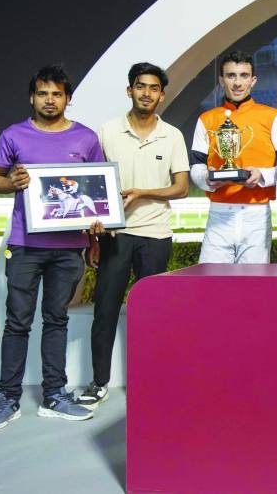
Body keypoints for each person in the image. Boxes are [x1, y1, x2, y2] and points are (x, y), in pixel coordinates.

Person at [0, 65, 104, 430]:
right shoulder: (13, 135)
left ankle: (54, 395)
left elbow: (97, 190)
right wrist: (11, 182)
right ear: (32, 97)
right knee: (17, 321)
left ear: (68, 98)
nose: (49, 100)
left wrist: (94, 237)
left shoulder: (86, 138)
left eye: (57, 94)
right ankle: (8, 398)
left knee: (56, 320)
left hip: (69, 248)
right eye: (43, 93)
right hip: (25, 244)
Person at [75, 63, 190, 410]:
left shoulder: (172, 135)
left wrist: (143, 193)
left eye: (153, 88)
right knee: (105, 311)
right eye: (140, 86)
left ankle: (150, 383)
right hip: (116, 236)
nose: (146, 93)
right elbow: (93, 186)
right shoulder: (107, 132)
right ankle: (99, 383)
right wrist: (92, 240)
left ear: (162, 95)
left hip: (156, 235)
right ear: (129, 91)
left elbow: (181, 187)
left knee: (152, 316)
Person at [190, 50, 277, 263]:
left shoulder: (272, 117)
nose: (237, 83)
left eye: (244, 76)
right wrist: (207, 178)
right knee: (211, 280)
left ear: (253, 80)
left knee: (252, 283)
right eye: (231, 76)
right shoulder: (206, 119)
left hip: (256, 215)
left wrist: (262, 175)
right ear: (221, 80)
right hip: (218, 214)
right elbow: (196, 167)